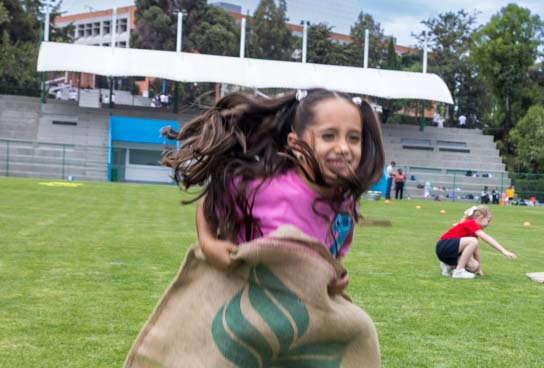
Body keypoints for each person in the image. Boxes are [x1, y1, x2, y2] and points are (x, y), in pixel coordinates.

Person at [162, 88, 385, 293]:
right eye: (329, 136)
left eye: (353, 138)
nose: (344, 148)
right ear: (296, 144)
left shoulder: (345, 201)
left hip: (301, 313)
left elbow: (332, 253)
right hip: (245, 301)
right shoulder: (260, 186)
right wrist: (209, 243)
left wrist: (336, 274)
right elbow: (210, 202)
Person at [435, 205, 518, 279]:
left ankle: (448, 266)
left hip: (449, 252)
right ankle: (459, 271)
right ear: (481, 217)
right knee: (473, 241)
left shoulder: (473, 232)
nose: (488, 224)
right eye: (488, 221)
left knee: (474, 266)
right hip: (443, 245)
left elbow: (475, 251)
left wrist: (478, 268)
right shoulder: (470, 222)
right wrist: (503, 251)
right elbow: (486, 238)